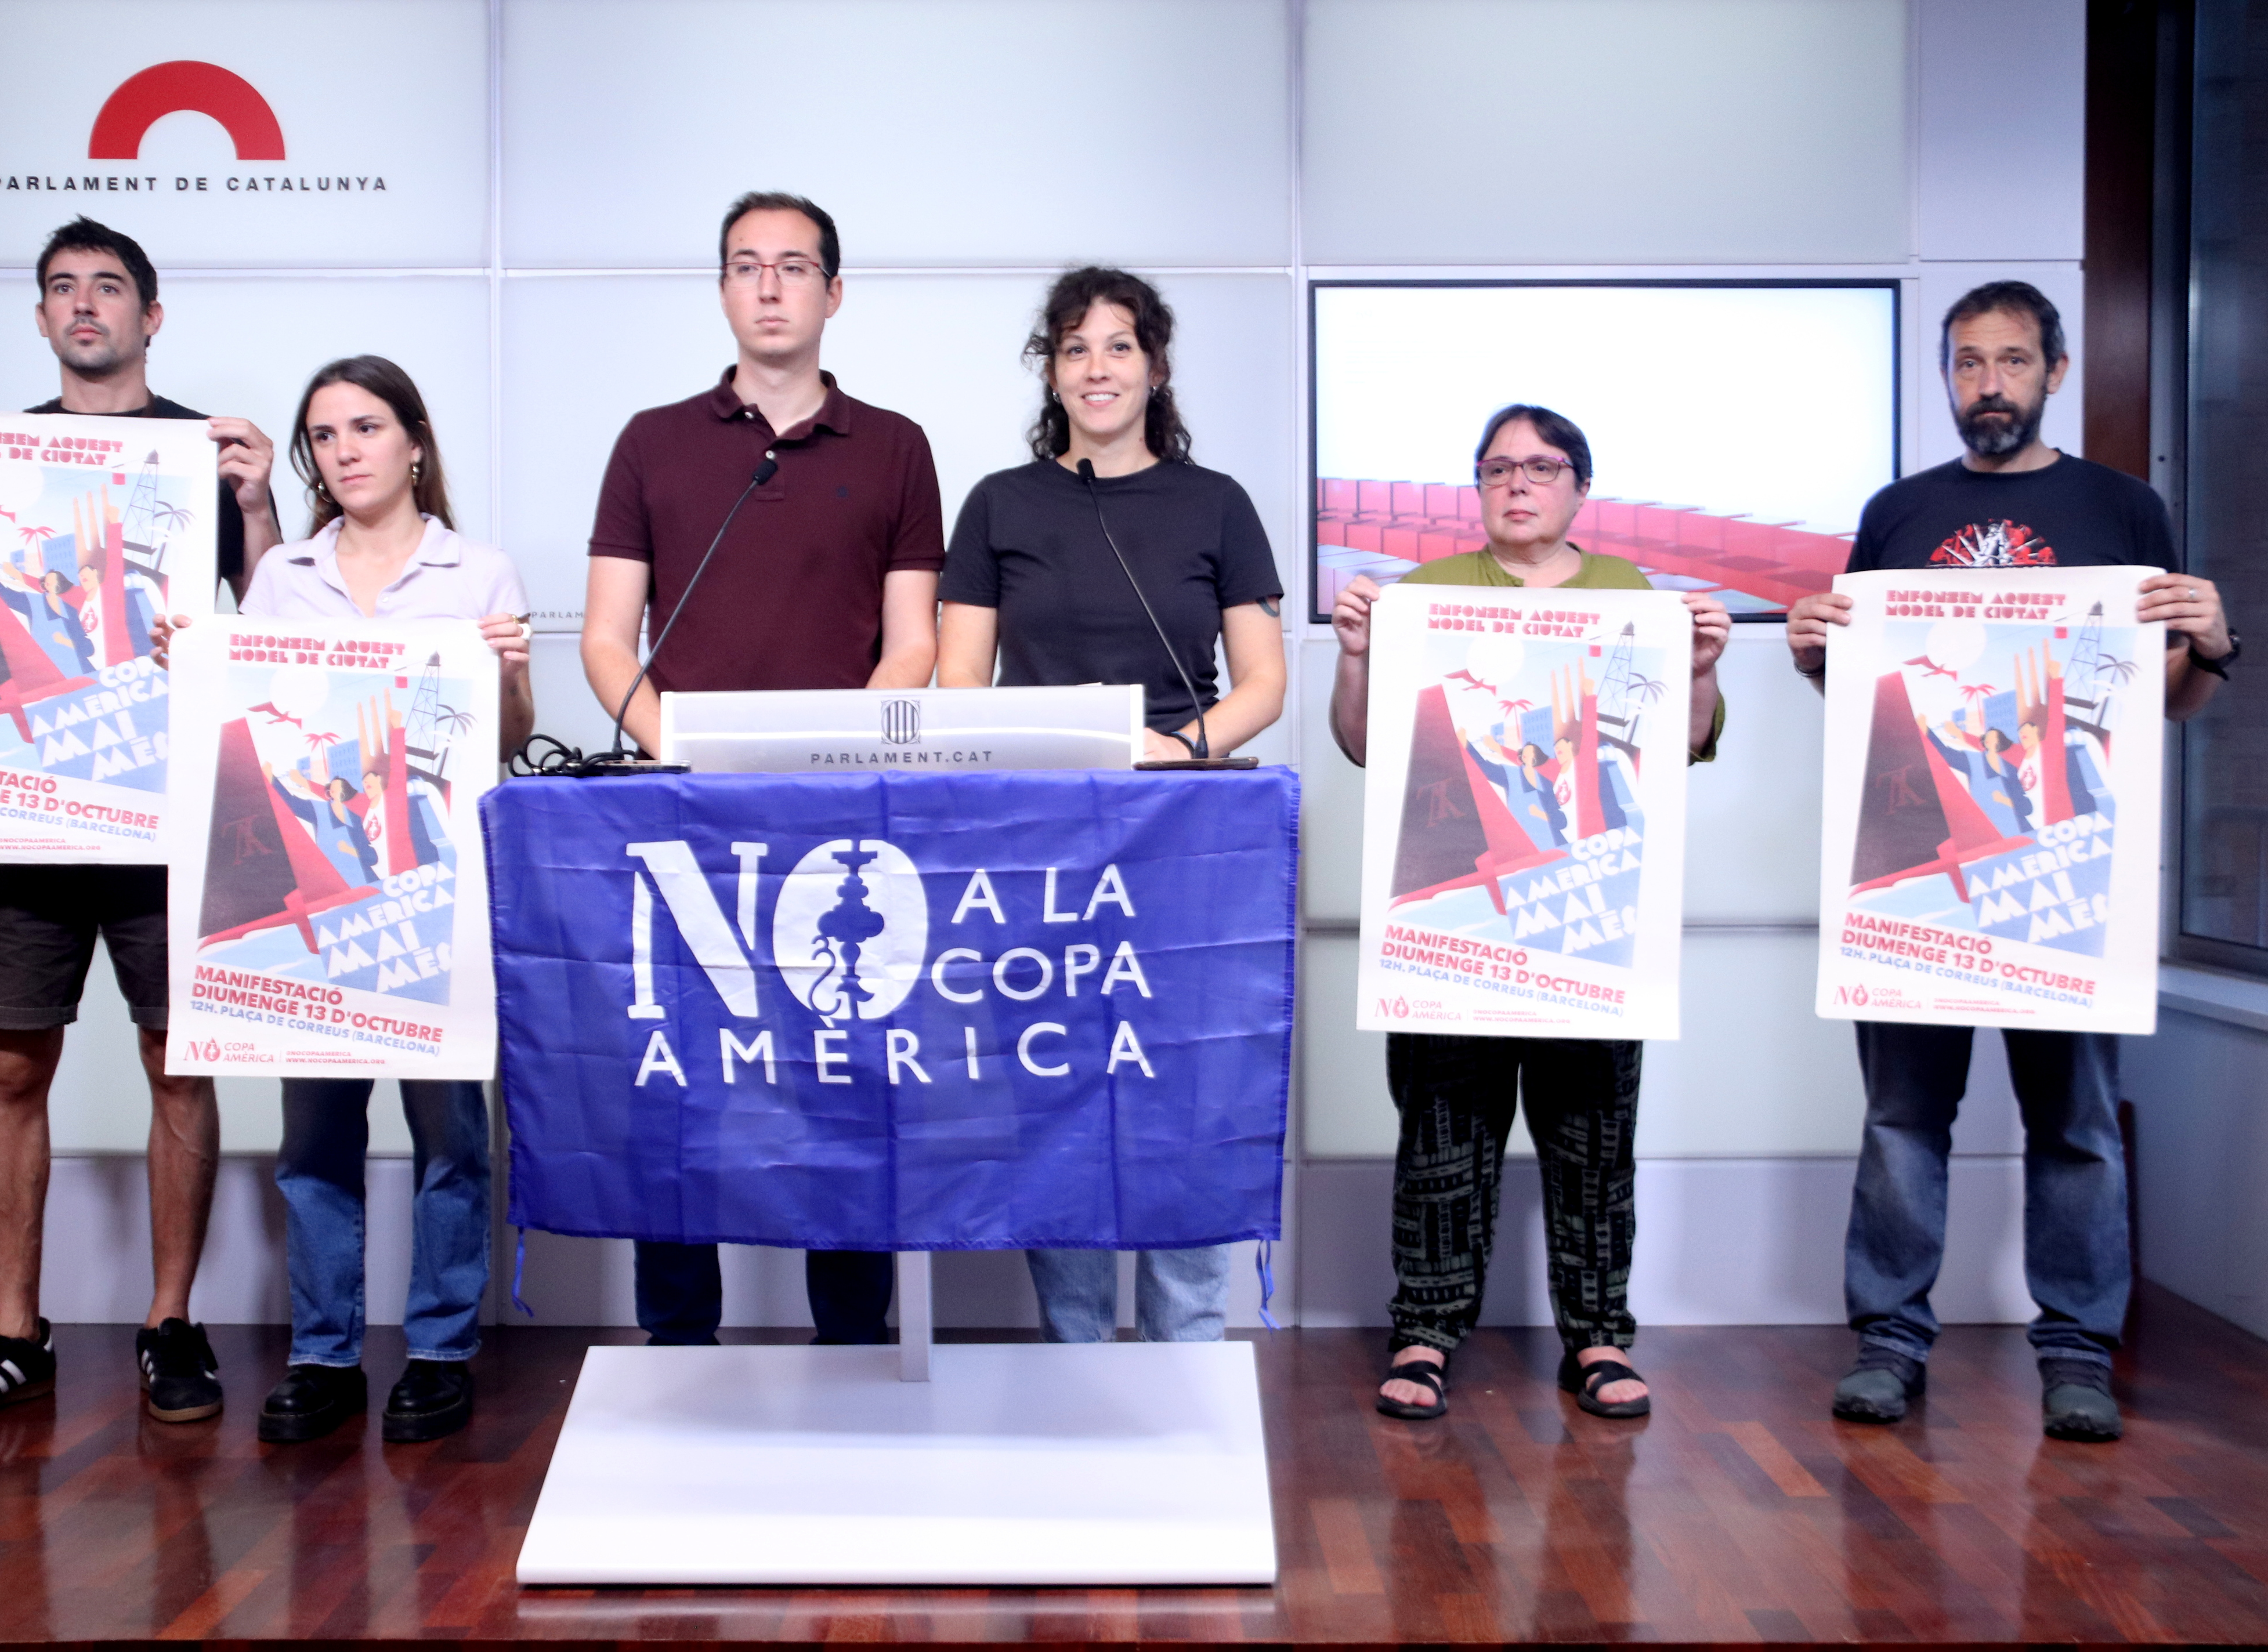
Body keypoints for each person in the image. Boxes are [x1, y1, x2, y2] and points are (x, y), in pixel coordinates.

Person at [0, 216, 281, 1438]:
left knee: (177, 1060)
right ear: (41, 318)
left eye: (110, 287)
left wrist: (264, 502)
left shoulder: (201, 455)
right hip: (22, 807)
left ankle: (169, 1319)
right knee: (13, 1063)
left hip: (167, 811)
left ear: (151, 313)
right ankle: (15, 1332)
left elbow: (275, 624)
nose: (87, 306)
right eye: (64, 289)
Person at [1787, 280, 2235, 1443]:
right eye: (1969, 362)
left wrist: (2216, 648)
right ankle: (1889, 1342)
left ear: (2057, 372)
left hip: (2067, 871)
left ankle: (2078, 1350)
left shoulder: (2124, 510)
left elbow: (2166, 703)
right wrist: (1808, 651)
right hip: (1917, 868)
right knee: (1901, 1119)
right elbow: (1860, 693)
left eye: (2013, 361)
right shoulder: (1896, 511)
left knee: (2076, 1124)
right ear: (1947, 376)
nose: (1989, 383)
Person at [578, 191, 941, 1346]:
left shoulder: (895, 445)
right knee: (682, 1082)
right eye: (747, 265)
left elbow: (916, 640)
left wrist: (833, 758)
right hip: (687, 811)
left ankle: (853, 1340)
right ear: (724, 290)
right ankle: (677, 1346)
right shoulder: (653, 440)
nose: (770, 285)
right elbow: (604, 637)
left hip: (842, 818)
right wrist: (677, 745)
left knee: (843, 1081)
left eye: (795, 267)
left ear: (835, 293)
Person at [1329, 404, 1731, 1423]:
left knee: (1594, 1138)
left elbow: (1682, 745)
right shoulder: (1423, 597)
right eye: (1500, 467)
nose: (1520, 482)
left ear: (1578, 489)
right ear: (1478, 488)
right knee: (1442, 1138)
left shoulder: (1633, 597)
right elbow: (1364, 745)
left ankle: (1598, 1333)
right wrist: (1357, 656)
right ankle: (1425, 1330)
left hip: (1589, 913)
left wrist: (1700, 666)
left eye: (1542, 467)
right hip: (1454, 913)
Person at [158, 355, 532, 1443]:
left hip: (441, 893)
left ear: (415, 440)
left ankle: (438, 1347)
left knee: (449, 1135)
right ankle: (322, 1353)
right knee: (315, 1138)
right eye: (324, 436)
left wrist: (506, 673)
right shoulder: (285, 577)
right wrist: (196, 663)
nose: (346, 451)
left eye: (366, 428)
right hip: (311, 892)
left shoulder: (478, 570)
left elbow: (509, 742)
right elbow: (253, 726)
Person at [936, 265, 1285, 1341]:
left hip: (1183, 831)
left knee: (1183, 1093)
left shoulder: (1215, 503)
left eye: (1119, 345)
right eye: (1076, 347)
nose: (1098, 367)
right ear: (1052, 369)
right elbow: (959, 689)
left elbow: (1262, 686)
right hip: (1037, 834)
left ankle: (1189, 1351)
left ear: (1157, 365)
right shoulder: (1001, 502)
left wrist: (1174, 749)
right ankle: (1076, 1347)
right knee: (1058, 1092)